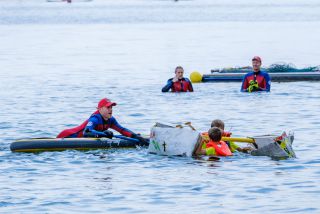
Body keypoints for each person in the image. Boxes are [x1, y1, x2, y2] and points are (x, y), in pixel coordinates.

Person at [57, 98, 148, 145]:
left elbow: (122, 130)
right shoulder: (95, 118)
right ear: (100, 109)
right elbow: (87, 132)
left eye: (111, 107)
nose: (110, 109)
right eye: (108, 107)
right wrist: (103, 133)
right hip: (67, 136)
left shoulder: (111, 120)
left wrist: (136, 136)